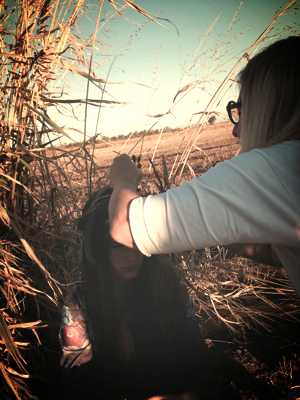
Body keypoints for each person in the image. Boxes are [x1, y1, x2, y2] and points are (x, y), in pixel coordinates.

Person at [108, 36, 300, 297]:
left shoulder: (272, 168)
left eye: (241, 111)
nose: (236, 130)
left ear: (267, 108)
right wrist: (210, 219)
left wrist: (123, 178)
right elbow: (276, 253)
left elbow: (125, 228)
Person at [59, 186, 216, 400]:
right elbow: (77, 376)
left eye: (136, 242)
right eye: (117, 246)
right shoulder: (80, 301)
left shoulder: (168, 281)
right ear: (98, 250)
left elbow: (194, 348)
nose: (131, 256)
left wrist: (190, 395)